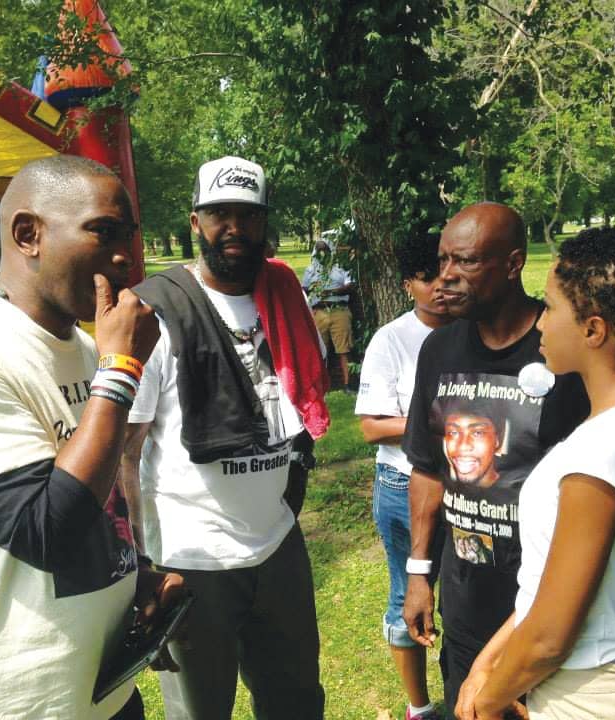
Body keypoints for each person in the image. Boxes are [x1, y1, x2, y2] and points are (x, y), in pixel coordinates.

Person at [0, 155, 187, 719]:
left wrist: (133, 571)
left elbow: (97, 494)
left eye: (130, 237)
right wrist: (121, 370)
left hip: (103, 695)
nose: (126, 257)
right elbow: (45, 531)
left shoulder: (85, 350)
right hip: (5, 706)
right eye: (103, 232)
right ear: (29, 235)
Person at [454, 225, 615, 720]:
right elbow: (549, 583)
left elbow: (548, 637)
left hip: (591, 696)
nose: (541, 322)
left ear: (594, 330)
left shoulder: (602, 455)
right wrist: (488, 659)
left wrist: (487, 701)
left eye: (552, 307)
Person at [120, 155, 329, 720]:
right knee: (200, 710)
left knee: (296, 700)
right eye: (219, 214)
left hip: (277, 544)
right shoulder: (155, 311)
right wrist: (143, 561)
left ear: (265, 223)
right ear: (195, 222)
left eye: (247, 214)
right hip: (193, 559)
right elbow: (128, 449)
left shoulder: (286, 295)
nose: (233, 227)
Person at [401, 202, 589, 712]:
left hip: (549, 600)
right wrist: (419, 573)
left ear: (512, 264)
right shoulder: (439, 351)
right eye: (443, 261)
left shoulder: (563, 352)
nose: (447, 277)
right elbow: (425, 467)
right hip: (467, 593)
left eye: (465, 262)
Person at [355, 233, 451, 720]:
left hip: (473, 485)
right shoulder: (391, 339)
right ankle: (420, 707)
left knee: (468, 593)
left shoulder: (477, 329)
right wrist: (447, 425)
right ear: (408, 283)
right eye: (427, 277)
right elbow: (372, 425)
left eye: (447, 272)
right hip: (403, 484)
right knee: (408, 593)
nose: (440, 285)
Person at [302, 236, 354, 388]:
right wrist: (314, 289)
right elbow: (304, 289)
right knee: (319, 351)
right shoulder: (311, 269)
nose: (322, 254)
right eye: (319, 250)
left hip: (339, 310)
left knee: (344, 349)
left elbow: (350, 286)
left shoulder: (340, 268)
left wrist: (331, 292)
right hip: (319, 312)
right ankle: (320, 386)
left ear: (330, 251)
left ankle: (348, 384)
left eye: (325, 250)